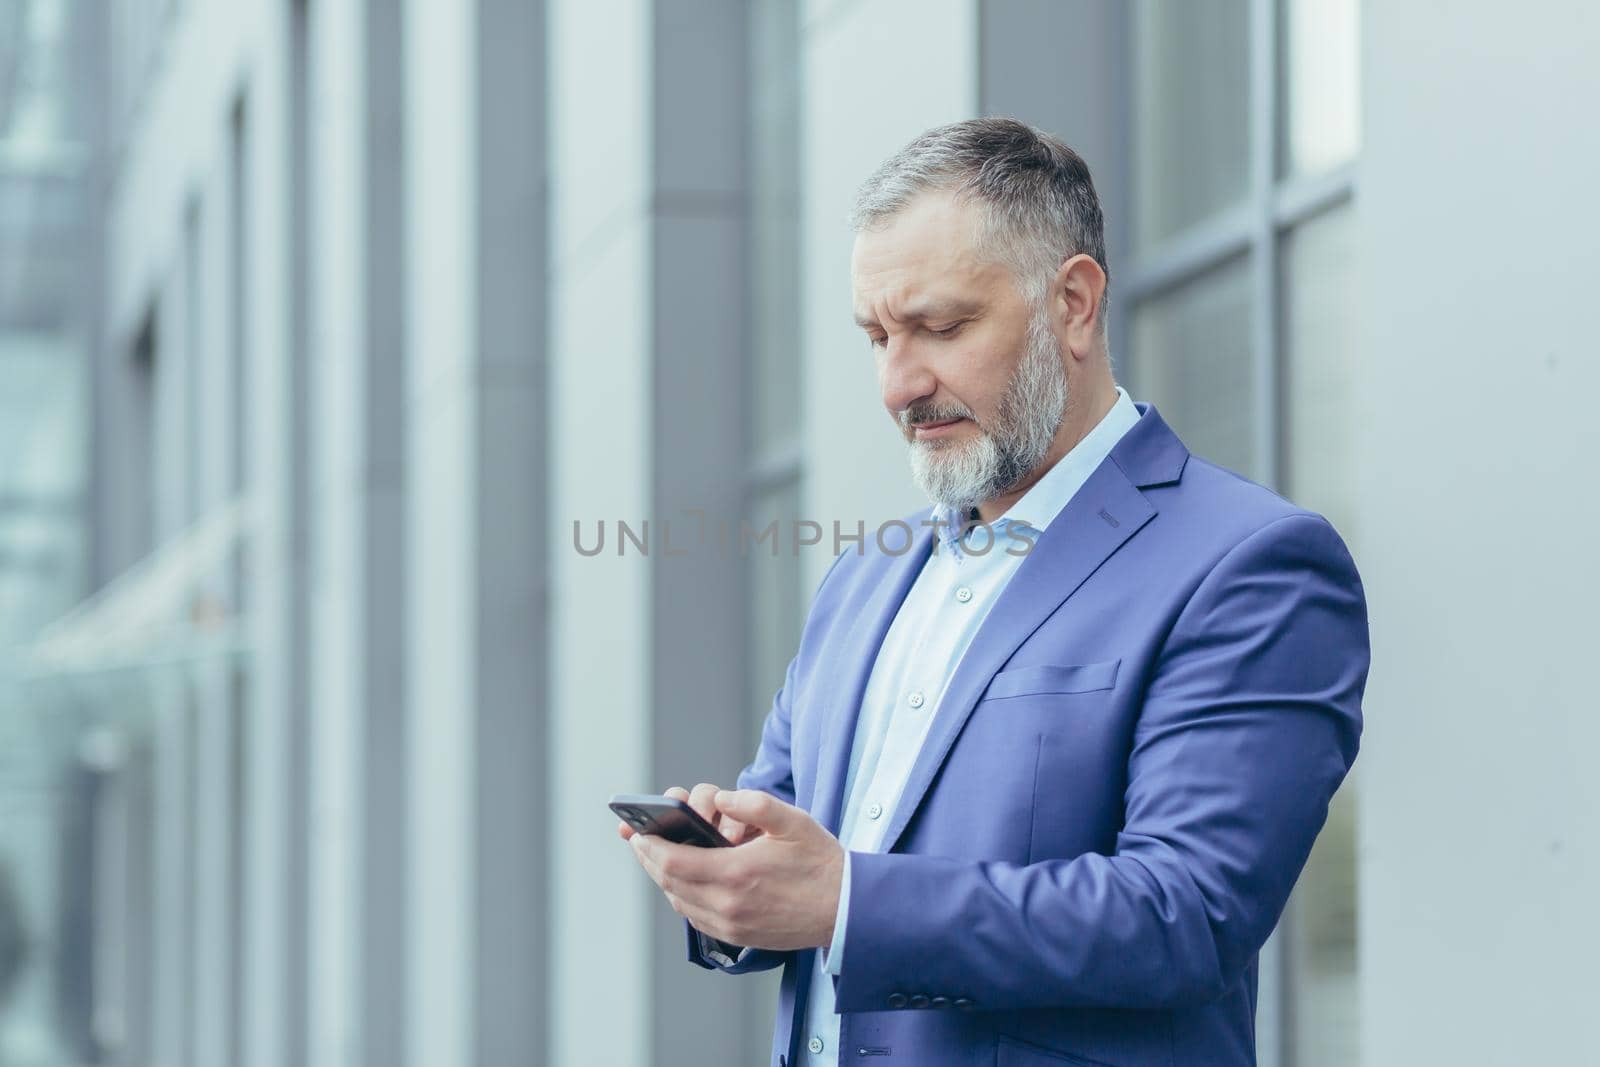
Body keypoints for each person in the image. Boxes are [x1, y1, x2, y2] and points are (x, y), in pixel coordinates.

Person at [621, 117, 1369, 1067]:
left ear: (1074, 304)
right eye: (877, 335)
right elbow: (794, 855)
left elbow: (1186, 915)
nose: (899, 382)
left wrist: (846, 899)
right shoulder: (864, 581)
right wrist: (729, 881)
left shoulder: (1251, 565)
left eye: (940, 326)